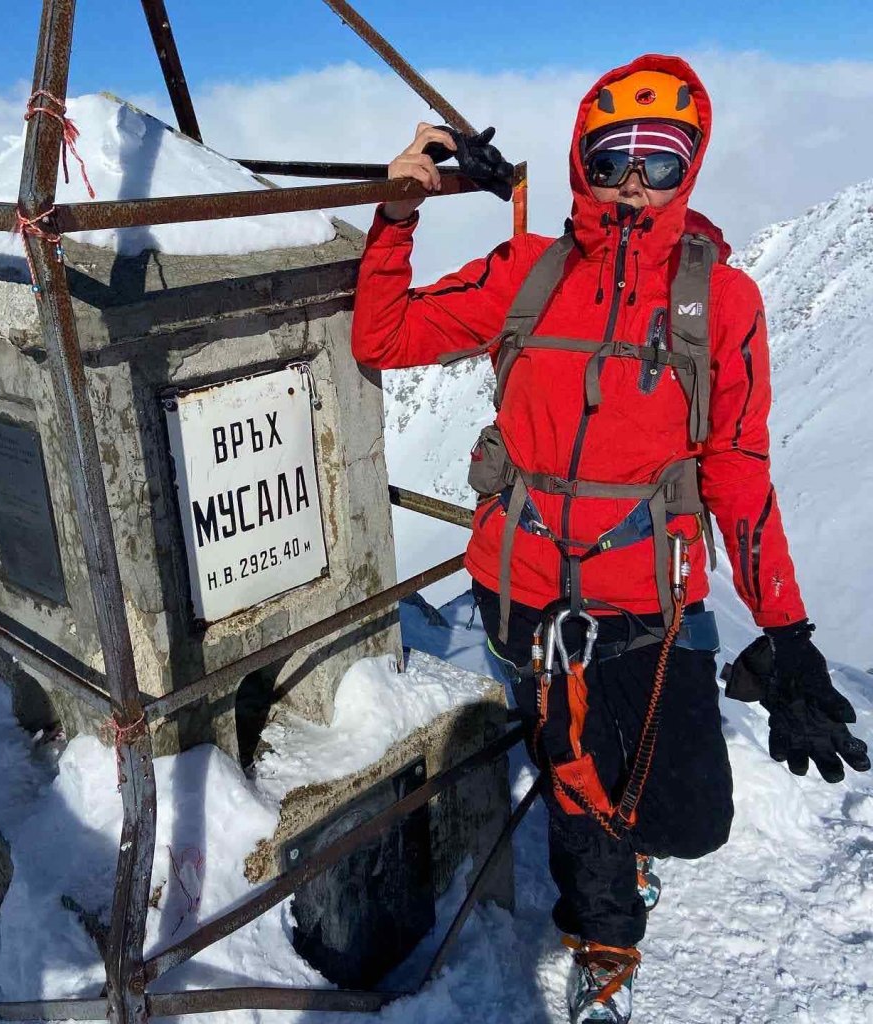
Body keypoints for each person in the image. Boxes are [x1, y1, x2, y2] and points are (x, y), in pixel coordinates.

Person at [351, 53, 869, 1024]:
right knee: (567, 767)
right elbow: (384, 338)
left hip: (645, 594)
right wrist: (397, 214)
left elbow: (737, 471)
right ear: (581, 161)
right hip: (519, 581)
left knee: (689, 816)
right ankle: (604, 929)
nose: (634, 179)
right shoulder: (526, 272)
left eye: (659, 159)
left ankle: (619, 863)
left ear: (690, 167)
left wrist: (786, 630)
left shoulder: (722, 302)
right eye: (612, 155)